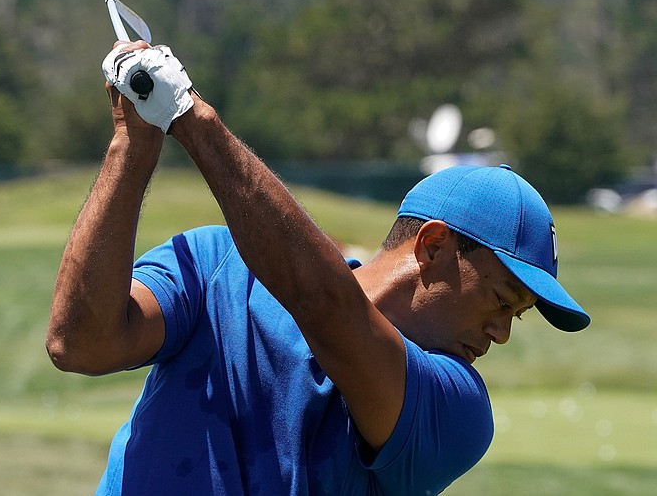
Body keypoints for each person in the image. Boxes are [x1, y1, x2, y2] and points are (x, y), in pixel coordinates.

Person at [47, 41, 590, 495]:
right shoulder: (216, 265)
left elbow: (328, 311)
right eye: (501, 301)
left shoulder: (458, 412)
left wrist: (190, 117)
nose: (501, 334)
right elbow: (80, 344)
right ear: (432, 247)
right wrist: (132, 141)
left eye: (515, 316)